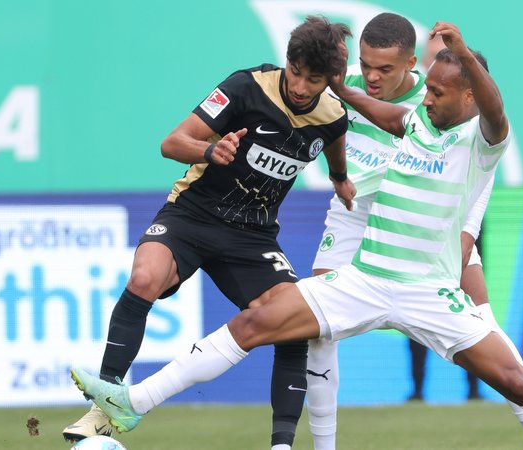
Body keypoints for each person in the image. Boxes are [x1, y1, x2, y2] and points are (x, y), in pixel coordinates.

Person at [70, 22, 523, 450]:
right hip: (364, 278)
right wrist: (338, 86)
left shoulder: (484, 142)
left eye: (436, 92)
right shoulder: (416, 121)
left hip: (428, 291)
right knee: (258, 321)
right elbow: (375, 112)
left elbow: (496, 108)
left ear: (469, 98)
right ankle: (134, 402)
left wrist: (464, 51)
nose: (424, 99)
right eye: (425, 89)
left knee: (516, 380)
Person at [62, 16, 355, 450]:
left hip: (252, 237)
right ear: (287, 62)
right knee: (144, 277)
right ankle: (104, 406)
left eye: (313, 80)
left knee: (296, 325)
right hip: (193, 215)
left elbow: (334, 149)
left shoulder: (333, 117)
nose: (300, 86)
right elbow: (172, 141)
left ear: (327, 80)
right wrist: (209, 149)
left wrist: (340, 178)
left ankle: (281, 445)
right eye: (295, 73)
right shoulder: (245, 87)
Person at [303, 13, 523, 450]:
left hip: (433, 221)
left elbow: (482, 173)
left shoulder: (441, 94)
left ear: (411, 63)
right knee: (314, 326)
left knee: (485, 325)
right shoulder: (343, 87)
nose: (372, 76)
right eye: (366, 66)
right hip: (356, 214)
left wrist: (467, 235)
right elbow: (312, 117)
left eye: (385, 69)